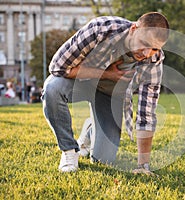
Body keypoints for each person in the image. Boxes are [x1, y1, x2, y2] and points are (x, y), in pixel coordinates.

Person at [41, 12, 169, 173]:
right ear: (133, 29)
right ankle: (69, 151)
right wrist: (106, 74)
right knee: (52, 88)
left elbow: (147, 114)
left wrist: (143, 166)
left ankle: (89, 132)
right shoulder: (100, 30)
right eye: (144, 43)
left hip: (109, 95)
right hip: (80, 82)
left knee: (103, 159)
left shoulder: (153, 60)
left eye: (154, 48)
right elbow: (57, 67)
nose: (146, 53)